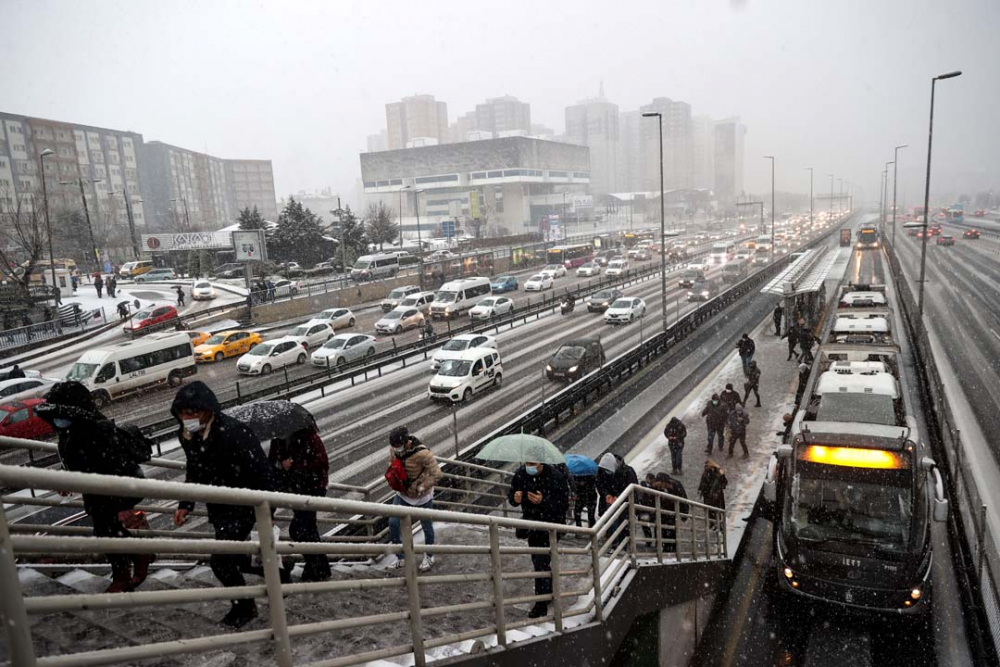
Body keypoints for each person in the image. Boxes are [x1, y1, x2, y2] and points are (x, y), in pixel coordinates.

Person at [171, 381, 276, 629]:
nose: (187, 418)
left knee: (221, 561)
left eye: (193, 412)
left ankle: (244, 607)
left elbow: (263, 473)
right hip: (219, 508)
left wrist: (266, 513)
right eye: (183, 413)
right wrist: (186, 503)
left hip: (245, 507)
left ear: (208, 410)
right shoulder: (188, 435)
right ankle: (277, 572)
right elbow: (194, 468)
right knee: (236, 559)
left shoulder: (235, 432)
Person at [35, 381, 154, 594]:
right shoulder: (72, 428)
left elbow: (120, 467)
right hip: (96, 491)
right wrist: (68, 477)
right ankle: (131, 566)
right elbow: (81, 460)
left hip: (110, 492)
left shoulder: (99, 430)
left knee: (107, 533)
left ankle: (126, 572)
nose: (56, 420)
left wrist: (124, 505)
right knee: (106, 533)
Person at [508, 450, 569, 619]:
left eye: (533, 464)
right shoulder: (520, 474)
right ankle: (547, 589)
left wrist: (544, 501)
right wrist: (515, 498)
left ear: (542, 463)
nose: (530, 467)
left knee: (540, 563)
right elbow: (511, 498)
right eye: (527, 464)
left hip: (551, 526)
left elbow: (563, 504)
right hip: (532, 524)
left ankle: (541, 602)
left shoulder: (555, 477)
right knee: (538, 561)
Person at [269, 423, 331, 582]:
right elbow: (271, 472)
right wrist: (270, 510)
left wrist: (294, 466)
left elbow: (322, 463)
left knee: (298, 529)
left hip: (312, 488)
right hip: (295, 490)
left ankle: (317, 566)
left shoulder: (308, 437)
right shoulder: (277, 442)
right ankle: (319, 568)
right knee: (308, 528)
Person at [386, 426, 442, 572]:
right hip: (403, 493)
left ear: (406, 442)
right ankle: (401, 557)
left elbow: (437, 474)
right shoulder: (394, 449)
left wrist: (423, 486)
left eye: (397, 446)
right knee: (393, 523)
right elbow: (392, 463)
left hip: (422, 496)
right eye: (393, 446)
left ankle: (429, 555)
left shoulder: (422, 453)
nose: (395, 449)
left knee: (426, 526)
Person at [654, 472, 689, 554]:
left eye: (661, 484)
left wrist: (684, 513)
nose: (660, 487)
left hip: (671, 512)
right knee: (663, 530)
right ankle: (666, 547)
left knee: (671, 530)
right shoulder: (660, 487)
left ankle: (671, 548)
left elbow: (683, 499)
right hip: (664, 512)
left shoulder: (676, 486)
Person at [698, 460, 728, 524]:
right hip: (709, 495)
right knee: (710, 511)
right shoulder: (706, 473)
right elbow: (702, 483)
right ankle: (713, 524)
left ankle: (717, 524)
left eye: (707, 466)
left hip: (716, 496)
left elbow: (724, 482)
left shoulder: (718, 473)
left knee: (716, 511)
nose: (706, 468)